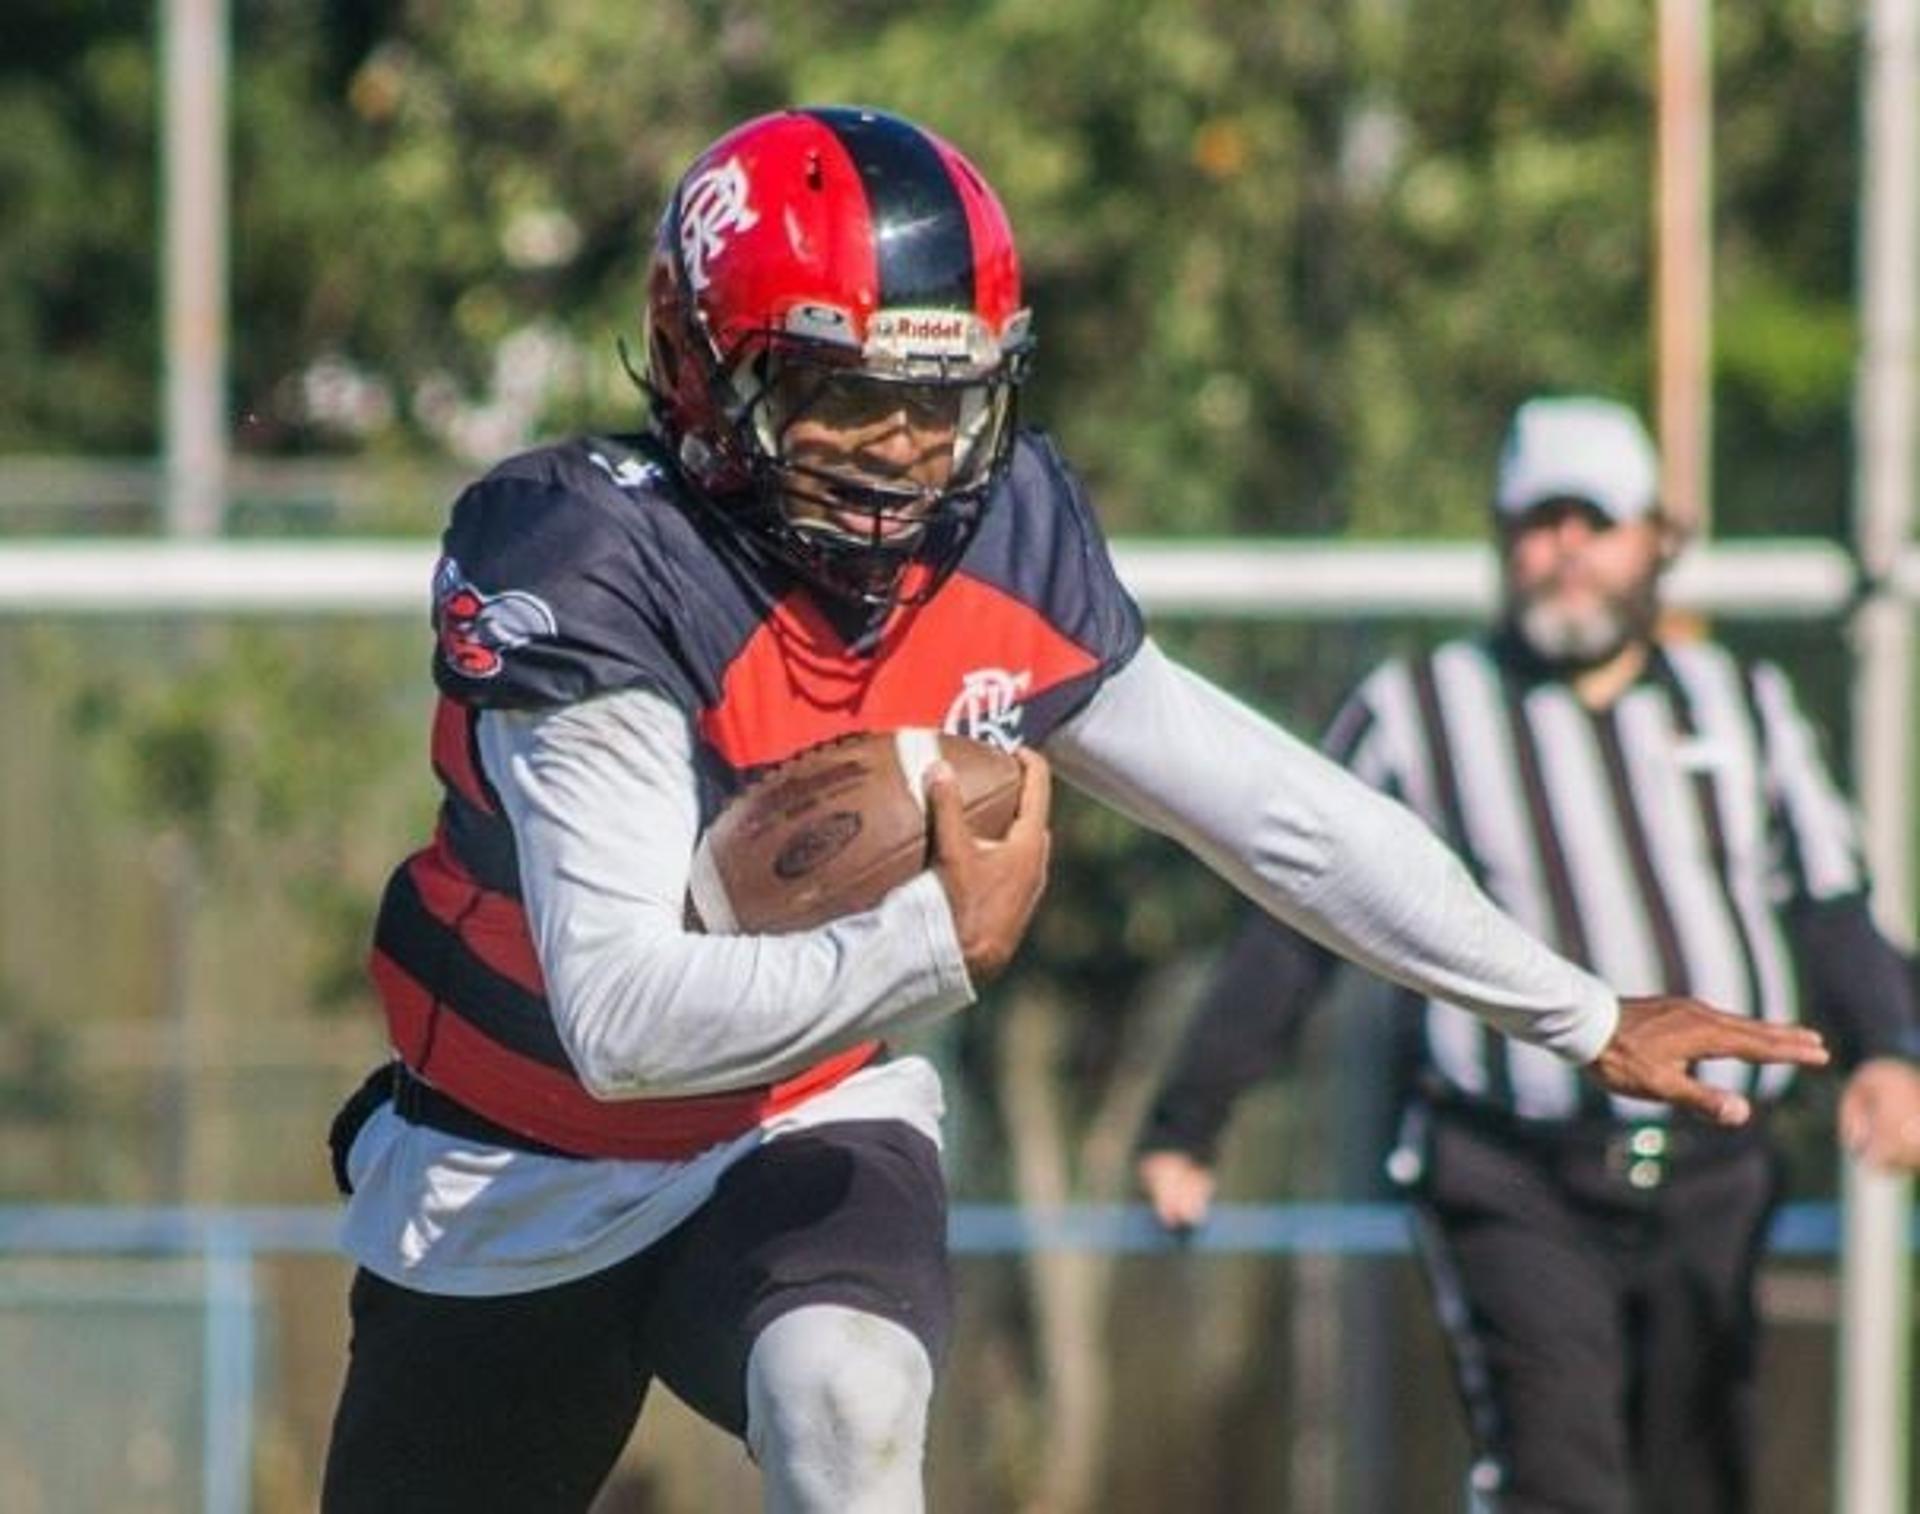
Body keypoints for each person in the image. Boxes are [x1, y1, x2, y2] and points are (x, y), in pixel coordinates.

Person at [320, 112, 1826, 1514]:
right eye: (848, 398)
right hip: (510, 1158)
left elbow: (1279, 814)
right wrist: (929, 944)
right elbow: (624, 1021)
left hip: (793, 1115)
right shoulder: (591, 556)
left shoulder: (1005, 540)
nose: (907, 456)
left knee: (844, 1398)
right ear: (701, 364)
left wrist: (1576, 1010)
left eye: (942, 403)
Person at [1137, 395, 1920, 1514]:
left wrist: (1890, 1048)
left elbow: (1833, 904)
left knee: (1701, 1479)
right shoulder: (1421, 710)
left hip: (1717, 1170)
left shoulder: (1741, 703)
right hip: (1514, 1170)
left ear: (1659, 539)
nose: (1566, 554)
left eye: (1594, 524)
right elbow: (1297, 914)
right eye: (1538, 524)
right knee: (1560, 1477)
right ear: (1503, 541)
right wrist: (1188, 1119)